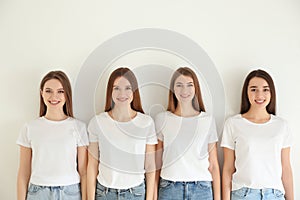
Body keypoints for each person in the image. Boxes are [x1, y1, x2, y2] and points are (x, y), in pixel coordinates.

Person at [221, 69, 294, 200]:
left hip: (274, 195)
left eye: (265, 89)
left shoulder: (282, 126)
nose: (260, 95)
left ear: (271, 92)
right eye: (254, 89)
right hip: (243, 194)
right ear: (246, 93)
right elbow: (227, 169)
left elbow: (286, 169)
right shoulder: (233, 123)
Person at [87, 67, 157, 200]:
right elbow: (92, 164)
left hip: (136, 193)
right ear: (110, 92)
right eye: (116, 88)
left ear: (134, 91)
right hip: (105, 193)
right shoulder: (97, 122)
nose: (122, 93)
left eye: (127, 88)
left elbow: (150, 165)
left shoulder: (146, 122)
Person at [17, 70, 89, 200]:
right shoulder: (29, 127)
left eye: (60, 91)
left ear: (67, 95)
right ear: (41, 93)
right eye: (48, 91)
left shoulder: (79, 127)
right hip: (38, 193)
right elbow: (23, 172)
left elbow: (83, 172)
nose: (54, 96)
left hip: (70, 193)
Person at [155, 67, 221, 200]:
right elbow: (157, 162)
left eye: (189, 85)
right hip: (169, 188)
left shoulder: (207, 120)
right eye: (179, 85)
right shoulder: (162, 119)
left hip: (201, 189)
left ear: (195, 87)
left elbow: (213, 164)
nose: (184, 90)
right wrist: (153, 195)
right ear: (173, 89)